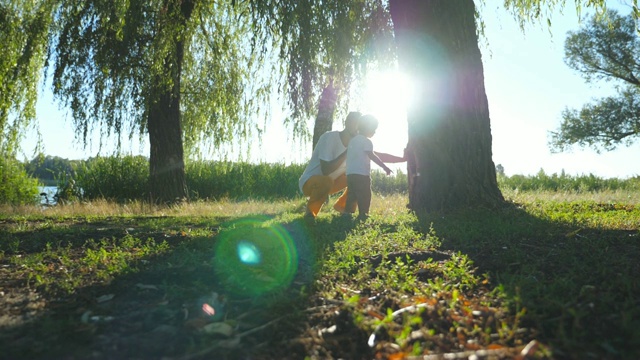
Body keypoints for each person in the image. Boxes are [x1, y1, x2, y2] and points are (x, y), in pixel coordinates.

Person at [298, 111, 361, 219]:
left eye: (360, 126)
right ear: (346, 122)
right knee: (327, 180)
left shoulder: (356, 146)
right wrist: (348, 151)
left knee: (358, 177)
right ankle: (310, 214)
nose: (357, 128)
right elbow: (326, 170)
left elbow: (373, 156)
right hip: (309, 183)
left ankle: (344, 209)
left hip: (331, 183)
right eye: (355, 123)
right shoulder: (330, 137)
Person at [344, 114, 406, 219]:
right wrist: (384, 167)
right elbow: (372, 155)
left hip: (350, 174)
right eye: (374, 129)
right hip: (362, 175)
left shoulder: (352, 141)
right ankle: (364, 214)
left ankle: (347, 214)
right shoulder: (367, 142)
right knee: (365, 195)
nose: (374, 132)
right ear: (368, 128)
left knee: (352, 194)